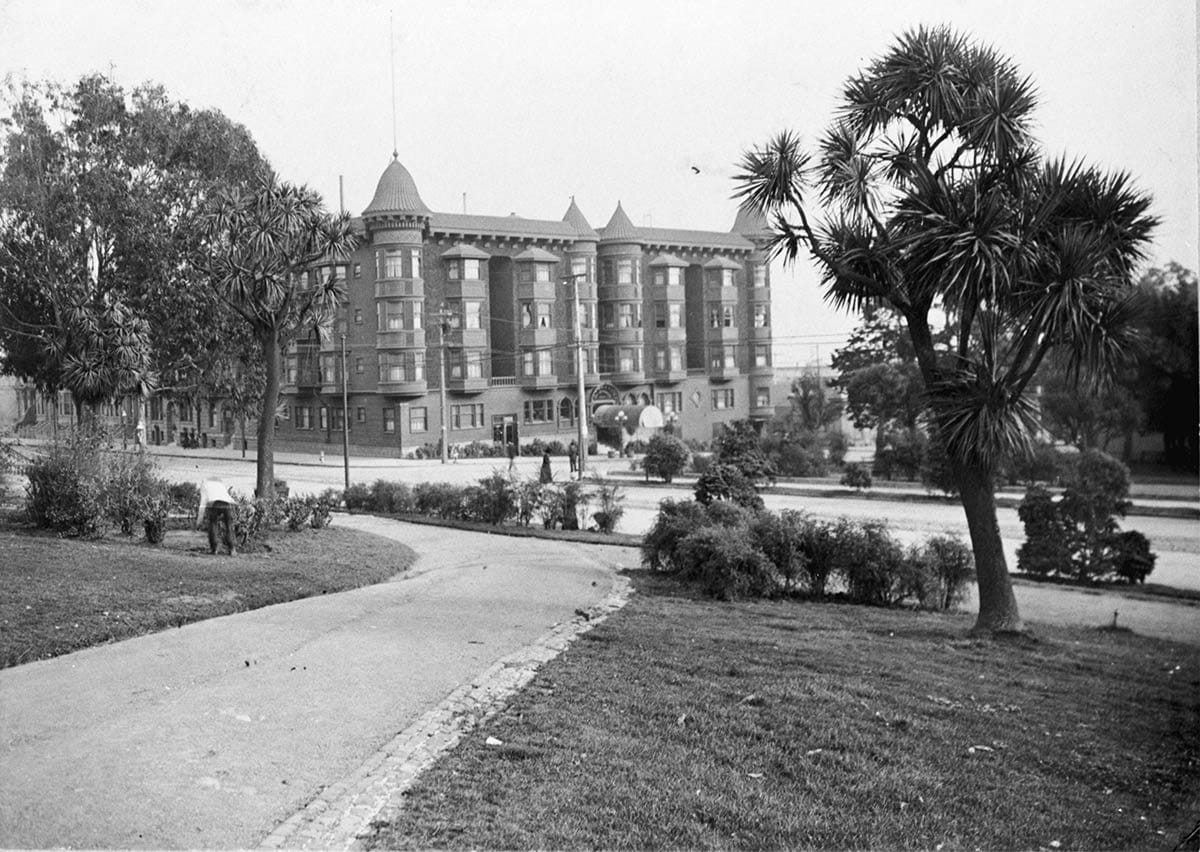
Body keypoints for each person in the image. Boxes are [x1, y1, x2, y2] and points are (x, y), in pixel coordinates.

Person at [196, 477, 237, 556]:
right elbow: (226, 495)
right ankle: (232, 549)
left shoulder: (204, 484)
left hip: (214, 504)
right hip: (227, 503)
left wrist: (199, 521)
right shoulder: (220, 484)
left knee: (213, 524)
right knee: (229, 526)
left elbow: (203, 502)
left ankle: (214, 549)